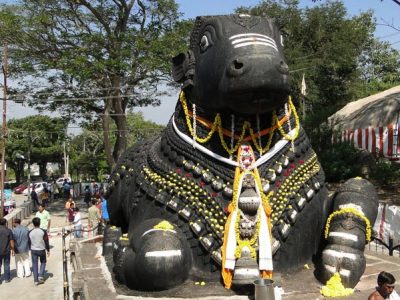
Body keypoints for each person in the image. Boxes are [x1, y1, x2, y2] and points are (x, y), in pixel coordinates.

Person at [28, 217, 50, 285]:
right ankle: (40, 276)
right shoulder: (43, 231)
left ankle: (35, 280)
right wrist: (48, 250)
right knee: (43, 262)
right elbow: (46, 241)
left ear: (33, 224)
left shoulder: (30, 232)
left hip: (33, 250)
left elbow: (29, 242)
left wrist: (30, 248)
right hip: (41, 249)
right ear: (39, 223)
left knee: (34, 264)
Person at [0, 218, 15, 283]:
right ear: (5, 223)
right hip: (6, 251)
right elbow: (11, 241)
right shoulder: (8, 231)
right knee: (6, 264)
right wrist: (13, 250)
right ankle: (7, 279)